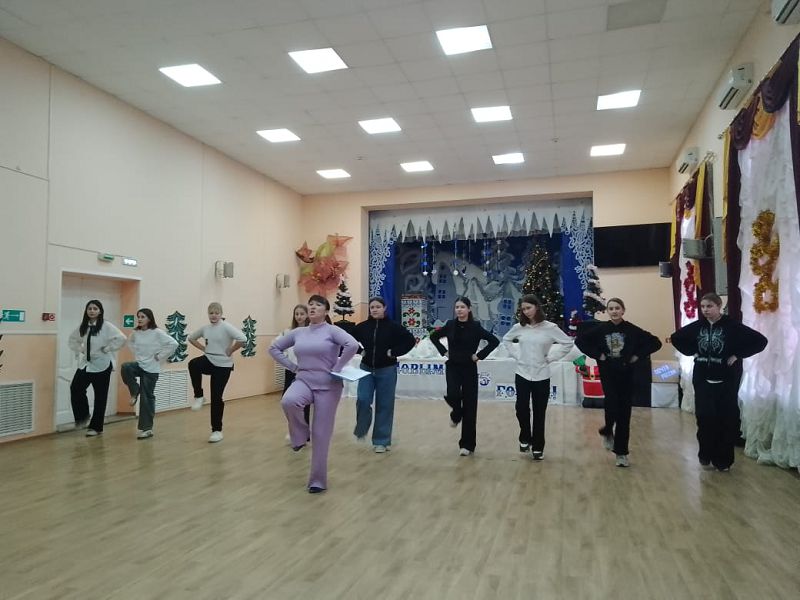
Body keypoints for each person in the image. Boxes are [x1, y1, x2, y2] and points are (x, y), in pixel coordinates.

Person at [269, 295, 358, 493]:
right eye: (310, 304)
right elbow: (274, 348)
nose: (313, 307)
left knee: (321, 434)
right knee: (288, 401)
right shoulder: (298, 332)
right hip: (304, 380)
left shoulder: (332, 330)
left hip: (328, 385)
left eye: (318, 305)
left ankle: (317, 480)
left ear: (326, 311)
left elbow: (352, 345)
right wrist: (292, 366)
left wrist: (338, 366)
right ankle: (300, 436)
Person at [669, 292, 767, 472]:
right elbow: (676, 338)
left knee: (725, 419)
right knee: (704, 417)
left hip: (726, 379)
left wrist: (737, 355)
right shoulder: (698, 326)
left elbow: (760, 341)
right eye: (703, 306)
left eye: (709, 306)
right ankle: (705, 454)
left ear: (719, 306)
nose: (705, 310)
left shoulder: (732, 326)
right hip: (702, 378)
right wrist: (693, 352)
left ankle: (723, 460)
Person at [575, 297, 661, 467]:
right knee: (612, 403)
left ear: (623, 310)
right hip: (608, 374)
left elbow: (655, 342)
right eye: (611, 308)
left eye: (617, 308)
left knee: (624, 414)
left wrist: (637, 356)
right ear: (608, 311)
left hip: (626, 375)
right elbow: (580, 341)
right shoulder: (601, 329)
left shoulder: (632, 330)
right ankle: (608, 430)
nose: (614, 311)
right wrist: (598, 355)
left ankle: (621, 453)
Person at [502, 294, 574, 460]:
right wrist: (517, 355)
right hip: (522, 373)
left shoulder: (550, 328)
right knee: (521, 408)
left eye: (529, 308)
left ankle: (538, 447)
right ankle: (525, 437)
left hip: (542, 375)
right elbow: (506, 340)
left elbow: (567, 343)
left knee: (539, 412)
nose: (526, 312)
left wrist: (551, 358)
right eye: (523, 309)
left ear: (537, 307)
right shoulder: (519, 327)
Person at [429, 296, 499, 456]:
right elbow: (434, 336)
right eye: (457, 307)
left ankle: (467, 445)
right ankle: (456, 415)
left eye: (462, 307)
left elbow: (494, 341)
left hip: (469, 368)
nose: (459, 310)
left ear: (469, 309)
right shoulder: (450, 325)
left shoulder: (476, 327)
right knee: (453, 394)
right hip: (453, 366)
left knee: (470, 406)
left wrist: (479, 355)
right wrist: (444, 352)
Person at [352, 297, 416, 453]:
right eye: (372, 307)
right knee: (363, 399)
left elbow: (410, 340)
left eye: (378, 307)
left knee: (385, 405)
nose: (374, 310)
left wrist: (394, 352)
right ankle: (362, 428)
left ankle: (381, 441)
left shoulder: (394, 327)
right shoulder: (363, 327)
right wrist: (360, 351)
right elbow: (348, 340)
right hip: (366, 369)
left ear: (384, 308)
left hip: (387, 370)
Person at [187, 302, 246, 443]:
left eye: (216, 313)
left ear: (221, 314)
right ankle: (199, 396)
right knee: (193, 364)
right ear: (208, 314)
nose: (213, 315)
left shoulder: (226, 327)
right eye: (211, 313)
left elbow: (243, 339)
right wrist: (203, 348)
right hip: (209, 359)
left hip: (223, 365)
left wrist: (231, 349)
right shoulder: (206, 328)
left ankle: (217, 431)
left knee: (216, 397)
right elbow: (191, 338)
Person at [67, 299, 126, 437]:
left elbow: (121, 338)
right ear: (86, 311)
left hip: (102, 365)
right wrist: (81, 349)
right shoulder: (84, 326)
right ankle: (82, 416)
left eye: (95, 308)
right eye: (89, 308)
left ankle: (96, 427)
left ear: (100, 311)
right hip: (87, 364)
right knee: (75, 388)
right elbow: (72, 339)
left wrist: (108, 348)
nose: (92, 311)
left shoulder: (106, 326)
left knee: (100, 396)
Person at [120, 308, 178, 439]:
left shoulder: (157, 332)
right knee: (126, 367)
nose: (140, 319)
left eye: (143, 317)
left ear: (149, 318)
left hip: (152, 369)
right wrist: (138, 354)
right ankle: (134, 392)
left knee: (147, 397)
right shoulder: (136, 333)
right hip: (140, 365)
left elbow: (173, 344)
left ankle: (147, 429)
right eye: (139, 317)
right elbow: (130, 342)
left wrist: (160, 356)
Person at [280, 304, 311, 431]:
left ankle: (304, 429)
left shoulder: (311, 331)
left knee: (304, 402)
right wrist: (286, 359)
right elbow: (278, 347)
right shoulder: (288, 332)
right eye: (296, 314)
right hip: (290, 370)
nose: (299, 316)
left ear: (307, 315)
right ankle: (294, 427)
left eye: (302, 314)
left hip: (305, 372)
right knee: (286, 400)